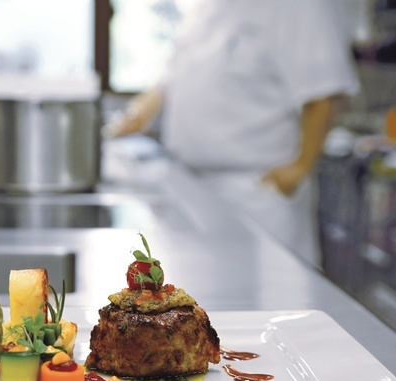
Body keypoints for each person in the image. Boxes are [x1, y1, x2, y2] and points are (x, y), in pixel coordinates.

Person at [108, 0, 359, 266]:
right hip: (192, 191)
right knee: (204, 285)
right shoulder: (203, 8)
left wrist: (299, 168)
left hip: (257, 195)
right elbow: (171, 79)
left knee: (275, 288)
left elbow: (325, 92)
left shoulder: (297, 6)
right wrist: (136, 115)